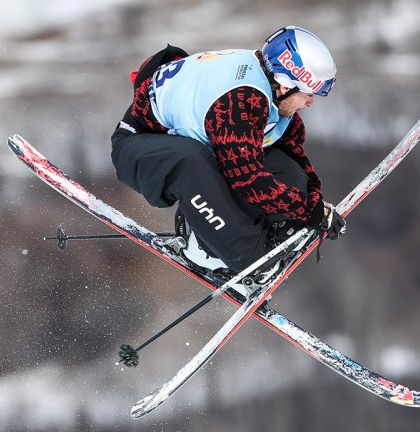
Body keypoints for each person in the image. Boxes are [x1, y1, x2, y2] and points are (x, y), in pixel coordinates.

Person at [111, 26, 346, 281]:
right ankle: (222, 254)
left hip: (195, 146)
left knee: (287, 172)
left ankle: (257, 239)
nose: (310, 103)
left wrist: (313, 203)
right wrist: (309, 211)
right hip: (137, 147)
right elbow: (249, 181)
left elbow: (296, 158)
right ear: (284, 85)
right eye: (308, 95)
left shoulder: (272, 99)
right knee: (191, 159)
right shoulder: (238, 103)